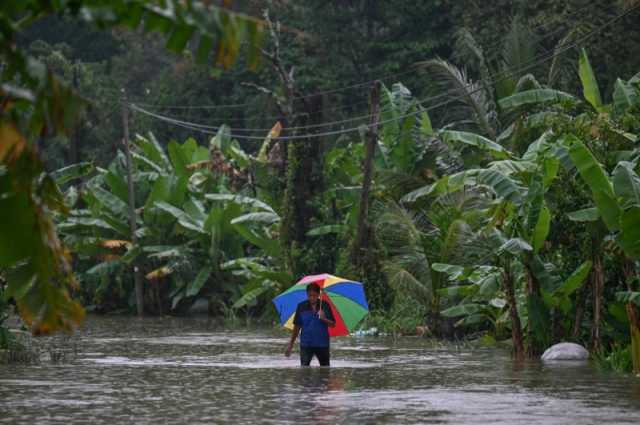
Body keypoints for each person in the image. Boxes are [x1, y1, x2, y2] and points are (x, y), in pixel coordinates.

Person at [285, 282, 336, 366]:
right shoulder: (301, 307)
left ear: (318, 294)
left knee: (325, 370)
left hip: (322, 344)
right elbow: (297, 327)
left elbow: (333, 324)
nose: (312, 298)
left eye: (314, 295)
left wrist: (324, 319)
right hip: (306, 344)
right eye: (310, 295)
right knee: (304, 370)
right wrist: (291, 345)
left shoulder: (325, 305)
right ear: (307, 294)